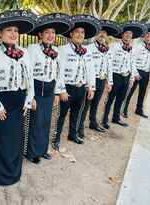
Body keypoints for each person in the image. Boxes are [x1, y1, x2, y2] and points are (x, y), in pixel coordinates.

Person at [0, 10, 37, 185]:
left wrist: (29, 99)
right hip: (1, 101)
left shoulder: (24, 52)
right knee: (0, 139)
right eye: (9, 30)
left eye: (16, 31)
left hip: (19, 101)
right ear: (0, 34)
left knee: (15, 138)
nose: (14, 34)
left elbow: (30, 78)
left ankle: (14, 173)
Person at [25, 13, 72, 163]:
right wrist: (30, 96)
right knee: (35, 122)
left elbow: (59, 73)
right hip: (37, 89)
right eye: (47, 32)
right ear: (40, 34)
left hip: (50, 90)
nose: (51, 35)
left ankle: (43, 149)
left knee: (46, 122)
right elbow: (28, 73)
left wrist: (57, 92)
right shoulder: (33, 48)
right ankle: (32, 152)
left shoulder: (57, 51)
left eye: (53, 33)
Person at [52, 14, 101, 150]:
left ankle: (72, 134)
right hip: (68, 88)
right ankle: (56, 137)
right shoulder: (63, 50)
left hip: (81, 88)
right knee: (61, 114)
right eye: (77, 32)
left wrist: (91, 87)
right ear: (71, 34)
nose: (80, 35)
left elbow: (91, 70)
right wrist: (61, 90)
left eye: (82, 33)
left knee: (76, 113)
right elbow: (59, 71)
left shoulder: (87, 52)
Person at [78, 20, 122, 136]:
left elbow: (110, 66)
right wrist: (88, 84)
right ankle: (80, 126)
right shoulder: (88, 48)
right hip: (91, 81)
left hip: (102, 80)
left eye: (105, 33)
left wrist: (110, 82)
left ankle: (93, 122)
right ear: (96, 34)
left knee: (95, 104)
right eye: (100, 32)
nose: (103, 34)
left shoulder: (108, 50)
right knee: (85, 105)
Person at [102, 21, 146, 129]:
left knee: (120, 99)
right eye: (126, 33)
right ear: (122, 35)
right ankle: (104, 120)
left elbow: (132, 64)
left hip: (126, 77)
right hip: (116, 76)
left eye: (130, 34)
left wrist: (131, 79)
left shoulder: (133, 49)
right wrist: (110, 80)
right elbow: (109, 63)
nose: (128, 35)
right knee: (110, 99)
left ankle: (116, 118)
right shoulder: (113, 46)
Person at [122, 23, 150, 118]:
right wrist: (135, 74)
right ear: (143, 36)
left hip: (146, 73)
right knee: (130, 92)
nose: (149, 35)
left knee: (142, 93)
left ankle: (139, 109)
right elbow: (132, 61)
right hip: (137, 71)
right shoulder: (137, 46)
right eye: (147, 33)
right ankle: (124, 109)